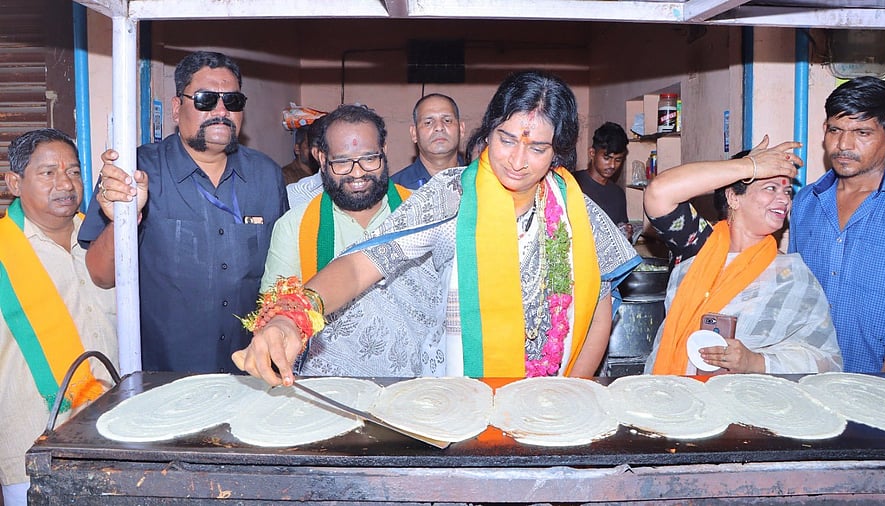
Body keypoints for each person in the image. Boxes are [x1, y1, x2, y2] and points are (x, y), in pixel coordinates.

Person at [234, 70, 640, 386]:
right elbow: (362, 264)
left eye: (536, 147)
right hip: (458, 394)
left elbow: (598, 308)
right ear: (488, 130)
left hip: (553, 392)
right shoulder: (452, 195)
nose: (518, 160)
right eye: (507, 139)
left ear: (558, 151)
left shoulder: (579, 212)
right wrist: (293, 317)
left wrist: (568, 390)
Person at [78, 50, 288, 373]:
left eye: (232, 101)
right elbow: (100, 274)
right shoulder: (135, 171)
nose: (221, 111)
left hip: (250, 376)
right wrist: (126, 220)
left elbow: (283, 275)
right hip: (164, 382)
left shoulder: (267, 176)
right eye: (206, 99)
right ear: (177, 108)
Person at [261, 104, 442, 376]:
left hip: (419, 383)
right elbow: (274, 311)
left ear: (384, 150)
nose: (358, 173)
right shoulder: (295, 226)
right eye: (342, 162)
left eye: (370, 159)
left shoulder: (421, 213)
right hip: (330, 388)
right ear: (321, 158)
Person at [643, 137, 842, 375]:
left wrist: (755, 362)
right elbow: (659, 192)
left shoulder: (789, 275)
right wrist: (749, 166)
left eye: (787, 191)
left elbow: (827, 360)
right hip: (675, 399)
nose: (784, 199)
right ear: (733, 197)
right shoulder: (698, 247)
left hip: (745, 406)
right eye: (770, 188)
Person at [0, 129, 118, 505]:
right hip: (30, 443)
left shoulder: (107, 241)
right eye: (48, 173)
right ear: (14, 182)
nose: (66, 183)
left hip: (114, 438)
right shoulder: (4, 249)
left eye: (74, 171)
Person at [789, 76, 885, 373]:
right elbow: (795, 288)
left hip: (877, 374)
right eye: (835, 130)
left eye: (862, 132)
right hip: (808, 371)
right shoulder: (806, 202)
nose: (843, 145)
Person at [391, 93, 465, 190]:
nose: (439, 127)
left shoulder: (480, 181)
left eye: (447, 120)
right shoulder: (395, 190)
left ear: (461, 129)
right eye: (428, 123)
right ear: (414, 133)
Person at [573, 122, 633, 240]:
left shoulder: (618, 194)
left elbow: (619, 232)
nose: (612, 165)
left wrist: (626, 233)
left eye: (618, 160)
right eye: (607, 158)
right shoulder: (572, 184)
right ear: (592, 153)